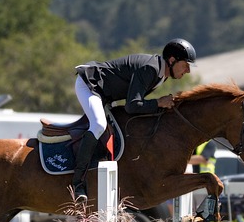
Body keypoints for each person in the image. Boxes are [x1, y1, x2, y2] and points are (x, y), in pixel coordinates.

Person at [71, 38, 197, 201]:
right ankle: (77, 183)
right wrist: (158, 102)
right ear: (172, 60)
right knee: (98, 125)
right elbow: (132, 106)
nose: (187, 70)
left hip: (105, 95)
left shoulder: (160, 74)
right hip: (90, 85)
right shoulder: (150, 69)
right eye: (185, 64)